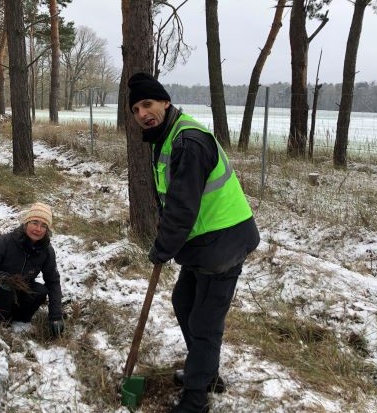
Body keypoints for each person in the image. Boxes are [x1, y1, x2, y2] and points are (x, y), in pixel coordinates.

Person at [127, 72, 260, 413]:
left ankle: (196, 398)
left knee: (204, 323)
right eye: (136, 109)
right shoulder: (167, 136)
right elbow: (173, 201)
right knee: (184, 301)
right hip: (205, 242)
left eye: (148, 104)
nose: (143, 114)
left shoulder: (187, 141)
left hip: (224, 243)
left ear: (165, 103)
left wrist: (161, 248)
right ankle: (206, 372)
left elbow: (182, 209)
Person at [0, 202, 64, 336]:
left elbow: (53, 282)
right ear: (26, 223)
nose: (38, 229)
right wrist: (4, 279)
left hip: (19, 290)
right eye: (35, 222)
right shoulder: (4, 242)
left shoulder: (47, 252)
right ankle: (1, 322)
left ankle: (19, 322)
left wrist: (56, 315)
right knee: (6, 292)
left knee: (40, 291)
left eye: (43, 225)